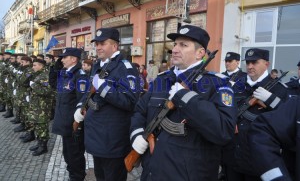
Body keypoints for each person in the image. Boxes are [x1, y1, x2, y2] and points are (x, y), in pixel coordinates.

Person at [130, 25, 237, 180]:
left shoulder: (218, 84)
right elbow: (140, 111)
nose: (175, 49)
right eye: (175, 44)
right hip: (152, 171)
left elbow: (224, 131)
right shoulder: (162, 79)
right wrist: (137, 134)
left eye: (183, 45)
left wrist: (185, 97)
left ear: (200, 53)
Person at [73, 28, 140, 181]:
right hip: (96, 137)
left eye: (102, 43)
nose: (98, 47)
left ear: (115, 46)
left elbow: (130, 102)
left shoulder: (125, 68)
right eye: (96, 44)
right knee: (100, 176)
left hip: (113, 139)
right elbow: (89, 92)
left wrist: (104, 88)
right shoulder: (98, 65)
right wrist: (80, 107)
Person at [222, 48, 288, 181]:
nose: (250, 66)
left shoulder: (279, 89)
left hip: (258, 157)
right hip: (232, 155)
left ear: (266, 64)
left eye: (255, 62)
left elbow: (286, 119)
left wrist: (271, 100)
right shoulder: (236, 86)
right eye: (248, 62)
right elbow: (224, 109)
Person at [52, 48, 89, 180]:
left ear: (74, 59)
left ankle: (77, 176)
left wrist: (77, 124)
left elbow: (83, 102)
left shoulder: (80, 76)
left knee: (75, 155)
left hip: (73, 125)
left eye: (64, 57)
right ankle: (74, 174)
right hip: (65, 123)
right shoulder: (66, 74)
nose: (61, 60)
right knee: (68, 154)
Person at [248, 96, 299, 181]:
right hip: (243, 153)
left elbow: (281, 105)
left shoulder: (281, 87)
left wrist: (270, 98)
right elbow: (264, 130)